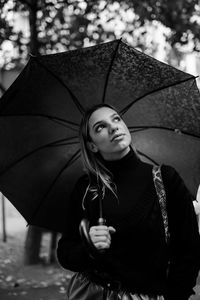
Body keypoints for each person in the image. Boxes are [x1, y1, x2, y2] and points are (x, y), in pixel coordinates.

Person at [57, 104, 200, 300]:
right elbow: (65, 254)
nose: (113, 127)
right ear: (92, 145)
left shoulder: (165, 179)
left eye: (116, 119)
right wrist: (88, 248)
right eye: (100, 127)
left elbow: (188, 250)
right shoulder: (87, 188)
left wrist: (177, 296)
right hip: (92, 294)